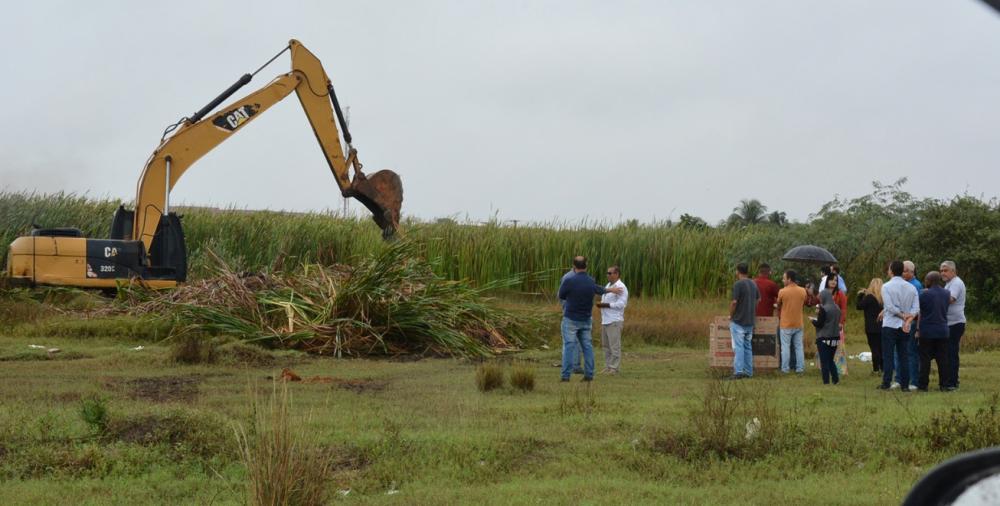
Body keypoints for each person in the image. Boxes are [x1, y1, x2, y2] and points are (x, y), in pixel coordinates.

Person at [557, 256, 623, 382]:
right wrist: (610, 290)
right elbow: (599, 290)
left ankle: (566, 376)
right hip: (586, 319)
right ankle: (589, 375)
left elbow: (561, 295)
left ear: (574, 266)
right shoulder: (590, 281)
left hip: (570, 318)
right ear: (586, 266)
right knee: (587, 346)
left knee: (569, 346)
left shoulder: (569, 280)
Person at [878, 260, 919, 391]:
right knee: (904, 355)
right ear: (902, 271)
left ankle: (887, 382)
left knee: (888, 355)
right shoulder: (911, 287)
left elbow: (889, 307)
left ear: (891, 270)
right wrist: (908, 318)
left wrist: (901, 315)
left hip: (890, 324)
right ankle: (905, 385)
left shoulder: (886, 287)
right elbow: (916, 308)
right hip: (905, 325)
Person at [916, 271, 952, 392]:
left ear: (928, 281)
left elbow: (919, 311)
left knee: (925, 359)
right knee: (943, 359)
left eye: (926, 280)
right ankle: (944, 385)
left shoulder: (923, 295)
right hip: (942, 330)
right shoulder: (947, 293)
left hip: (927, 330)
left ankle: (923, 385)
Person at [894, 260, 923, 390]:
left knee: (910, 351)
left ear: (912, 272)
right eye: (902, 271)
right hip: (899, 321)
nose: (903, 273)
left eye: (906, 271)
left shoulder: (916, 285)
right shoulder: (901, 283)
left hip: (910, 321)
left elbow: (917, 308)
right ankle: (899, 379)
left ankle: (914, 381)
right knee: (898, 351)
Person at [728, 263, 760, 379]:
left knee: (739, 346)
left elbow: (734, 302)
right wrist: (751, 309)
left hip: (739, 321)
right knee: (748, 346)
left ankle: (738, 371)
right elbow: (758, 299)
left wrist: (731, 315)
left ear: (738, 271)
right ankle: (748, 371)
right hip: (750, 321)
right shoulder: (753, 283)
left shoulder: (738, 284)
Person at [596, 265, 628, 375]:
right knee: (606, 346)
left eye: (610, 273)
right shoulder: (608, 285)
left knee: (614, 346)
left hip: (614, 320)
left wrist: (606, 305)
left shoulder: (621, 287)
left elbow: (622, 304)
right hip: (605, 320)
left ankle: (614, 368)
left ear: (616, 274)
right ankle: (608, 366)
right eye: (607, 273)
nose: (607, 275)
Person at [940, 260, 966, 389]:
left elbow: (951, 299)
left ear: (953, 271)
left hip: (955, 323)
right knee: (949, 352)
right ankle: (952, 379)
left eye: (945, 270)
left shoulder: (956, 283)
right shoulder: (949, 284)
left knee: (951, 353)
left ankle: (952, 382)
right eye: (941, 271)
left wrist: (934, 296)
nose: (942, 273)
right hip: (949, 322)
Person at [775, 269, 807, 374]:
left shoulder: (782, 291)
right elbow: (804, 301)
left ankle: (785, 369)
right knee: (799, 347)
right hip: (798, 323)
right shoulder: (803, 290)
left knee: (785, 348)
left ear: (789, 279)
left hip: (786, 324)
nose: (783, 280)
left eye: (784, 278)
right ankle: (800, 368)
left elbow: (778, 304)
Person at [812, 290, 842, 385]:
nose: (820, 300)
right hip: (835, 338)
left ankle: (826, 382)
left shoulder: (824, 309)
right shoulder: (837, 308)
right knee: (830, 360)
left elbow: (820, 324)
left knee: (824, 361)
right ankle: (835, 379)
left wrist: (812, 321)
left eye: (820, 298)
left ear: (824, 297)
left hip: (824, 338)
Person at [557, 265, 584, 374]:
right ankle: (575, 366)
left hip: (572, 313)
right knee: (575, 341)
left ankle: (568, 365)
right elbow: (561, 295)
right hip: (573, 314)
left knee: (569, 341)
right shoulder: (571, 277)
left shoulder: (570, 276)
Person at [856, 278, 885, 374]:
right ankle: (883, 368)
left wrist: (860, 295)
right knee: (881, 348)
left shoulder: (869, 298)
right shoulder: (883, 298)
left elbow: (859, 306)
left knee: (874, 348)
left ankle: (876, 369)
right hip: (882, 326)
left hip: (871, 327)